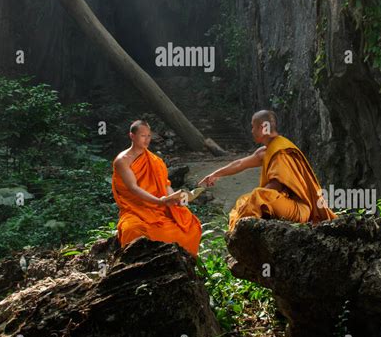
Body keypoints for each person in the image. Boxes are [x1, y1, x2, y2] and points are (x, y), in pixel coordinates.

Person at [198, 109, 337, 231]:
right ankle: (240, 233)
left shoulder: (281, 151)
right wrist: (215, 174)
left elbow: (275, 187)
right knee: (244, 200)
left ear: (263, 127)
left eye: (253, 126)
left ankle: (243, 232)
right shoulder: (265, 151)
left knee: (258, 196)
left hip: (300, 209)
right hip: (283, 204)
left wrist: (255, 199)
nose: (251, 130)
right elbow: (240, 164)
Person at [112, 120, 202, 256]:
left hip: (160, 207)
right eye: (143, 136)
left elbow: (165, 185)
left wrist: (175, 198)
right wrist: (159, 201)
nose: (147, 139)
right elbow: (133, 188)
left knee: (190, 224)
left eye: (149, 136)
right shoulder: (122, 160)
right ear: (132, 136)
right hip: (136, 209)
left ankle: (183, 264)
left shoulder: (155, 160)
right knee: (133, 230)